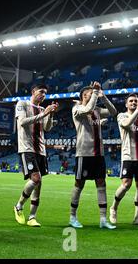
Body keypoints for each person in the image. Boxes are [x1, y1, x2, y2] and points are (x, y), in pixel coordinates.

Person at [68, 82, 118, 229]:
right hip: (84, 152)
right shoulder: (77, 109)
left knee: (101, 184)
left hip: (99, 153)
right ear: (84, 95)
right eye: (91, 92)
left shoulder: (97, 109)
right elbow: (88, 108)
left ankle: (103, 219)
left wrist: (104, 97)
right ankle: (72, 216)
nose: (94, 93)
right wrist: (96, 92)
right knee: (79, 184)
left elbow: (113, 111)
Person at [13, 84, 58, 227]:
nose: (43, 95)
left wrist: (50, 114)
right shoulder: (23, 104)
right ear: (33, 91)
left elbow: (47, 127)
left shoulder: (43, 109)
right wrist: (43, 114)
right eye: (41, 92)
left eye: (45, 93)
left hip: (41, 149)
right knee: (36, 179)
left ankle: (32, 216)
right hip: (27, 148)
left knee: (39, 184)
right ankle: (19, 206)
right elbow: (22, 122)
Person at [109, 94, 138, 227]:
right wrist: (137, 111)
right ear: (126, 104)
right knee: (126, 184)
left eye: (136, 101)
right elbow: (126, 124)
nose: (134, 102)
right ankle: (113, 208)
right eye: (131, 101)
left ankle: (137, 218)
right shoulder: (122, 116)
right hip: (128, 155)